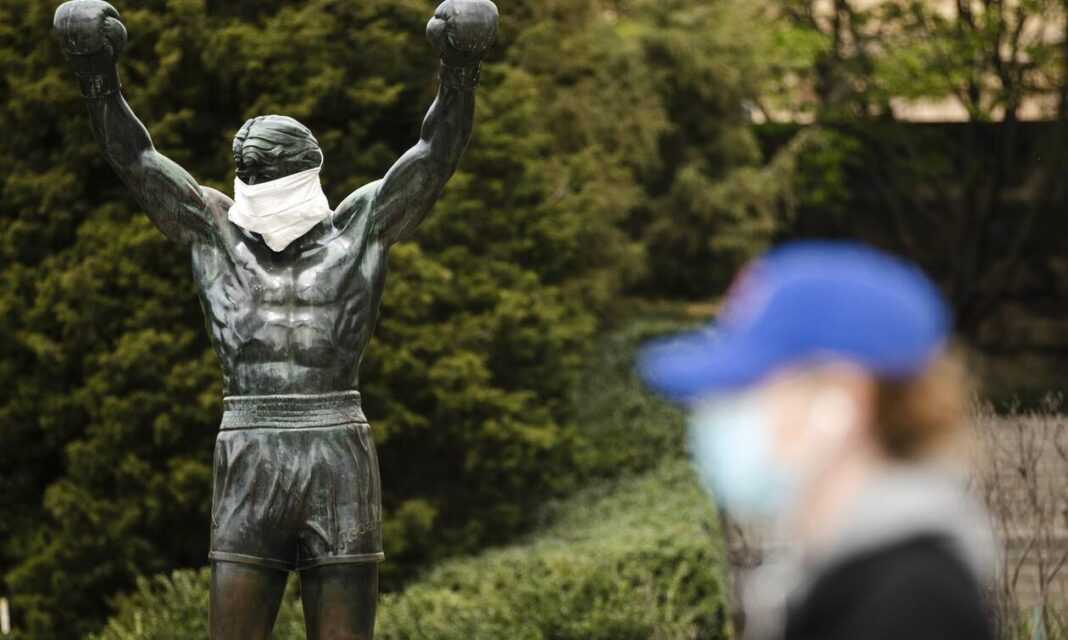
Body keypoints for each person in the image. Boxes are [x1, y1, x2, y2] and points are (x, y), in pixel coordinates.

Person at [53, 0, 498, 637]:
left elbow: (435, 153)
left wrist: (460, 70)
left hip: (336, 446)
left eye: (269, 173)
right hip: (250, 445)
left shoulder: (360, 228)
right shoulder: (214, 231)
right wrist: (96, 74)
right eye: (251, 175)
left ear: (306, 173)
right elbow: (137, 160)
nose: (258, 185)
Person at [639, 241, 996, 640]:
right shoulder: (838, 579)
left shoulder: (912, 605)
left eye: (744, 388)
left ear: (842, 399)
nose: (716, 413)